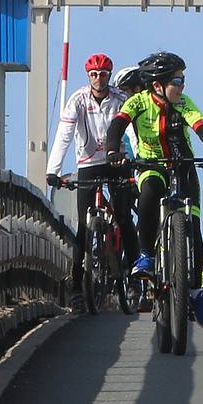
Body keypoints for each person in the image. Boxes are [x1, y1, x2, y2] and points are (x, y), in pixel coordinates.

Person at [103, 51, 203, 330]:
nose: (182, 86)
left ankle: (194, 293)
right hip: (151, 164)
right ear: (157, 85)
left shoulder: (184, 103)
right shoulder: (138, 102)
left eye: (183, 80)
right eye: (177, 81)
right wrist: (113, 150)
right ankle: (146, 256)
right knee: (149, 195)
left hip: (183, 165)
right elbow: (117, 125)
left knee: (195, 225)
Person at [46, 53, 136, 312]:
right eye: (94, 75)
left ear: (109, 75)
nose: (99, 79)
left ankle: (134, 275)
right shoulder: (77, 100)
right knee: (84, 230)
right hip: (87, 163)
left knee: (123, 217)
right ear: (88, 77)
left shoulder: (121, 99)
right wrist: (54, 170)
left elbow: (132, 131)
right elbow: (64, 135)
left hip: (117, 161)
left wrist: (134, 161)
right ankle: (77, 286)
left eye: (103, 74)